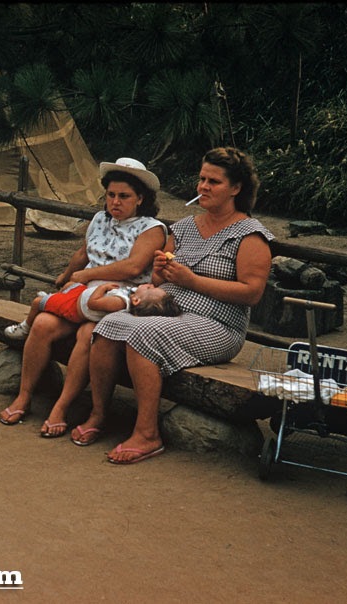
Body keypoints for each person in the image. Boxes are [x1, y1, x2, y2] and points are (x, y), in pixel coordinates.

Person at [77, 147, 274, 464]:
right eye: (202, 179)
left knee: (142, 332)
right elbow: (159, 280)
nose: (203, 187)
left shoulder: (250, 235)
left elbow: (252, 293)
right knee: (109, 324)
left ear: (236, 188)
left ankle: (147, 434)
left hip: (217, 325)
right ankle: (99, 414)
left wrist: (192, 281)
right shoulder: (184, 227)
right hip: (168, 311)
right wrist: (159, 273)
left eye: (214, 182)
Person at [0, 157, 168, 438]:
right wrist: (67, 275)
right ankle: (24, 396)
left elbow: (134, 267)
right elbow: (83, 253)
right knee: (42, 324)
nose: (115, 202)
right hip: (82, 292)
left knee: (88, 333)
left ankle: (62, 407)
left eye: (124, 196)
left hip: (119, 297)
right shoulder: (100, 219)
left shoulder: (151, 228)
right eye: (111, 195)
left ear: (140, 198)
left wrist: (86, 275)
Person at [4, 281, 181, 340]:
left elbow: (93, 304)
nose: (150, 284)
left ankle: (25, 327)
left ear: (136, 301)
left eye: (149, 288)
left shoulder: (118, 303)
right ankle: (53, 299)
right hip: (79, 294)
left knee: (37, 302)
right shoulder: (132, 295)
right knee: (71, 284)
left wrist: (102, 288)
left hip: (75, 307)